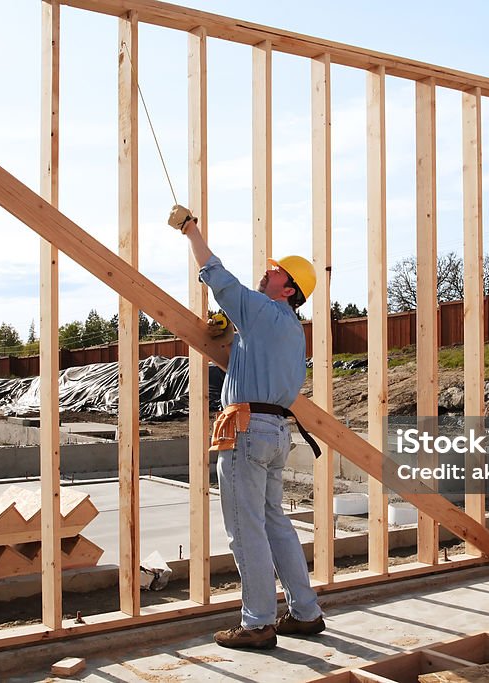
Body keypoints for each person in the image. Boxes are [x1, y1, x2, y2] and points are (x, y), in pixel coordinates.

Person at [169, 205, 325, 650]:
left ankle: (258, 623)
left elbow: (219, 278)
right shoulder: (290, 328)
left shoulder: (262, 311)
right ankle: (305, 611)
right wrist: (233, 332)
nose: (267, 272)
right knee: (275, 523)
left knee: (246, 528)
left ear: (288, 288)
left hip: (247, 430)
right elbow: (251, 345)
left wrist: (191, 231)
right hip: (275, 432)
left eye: (275, 272)